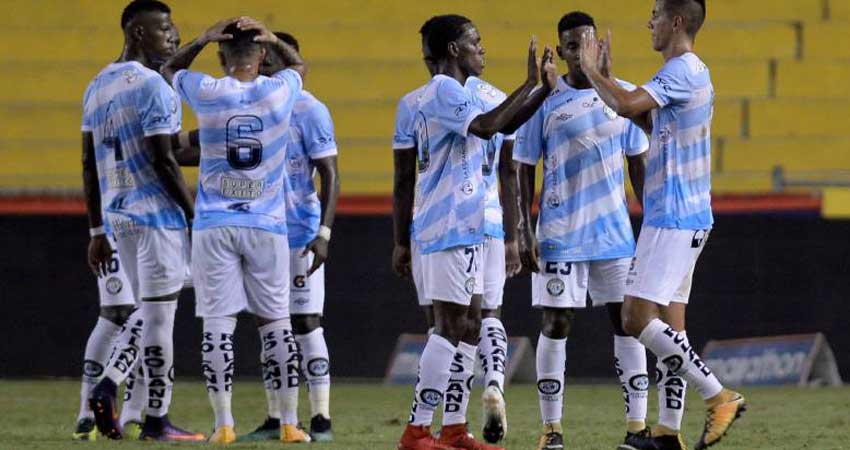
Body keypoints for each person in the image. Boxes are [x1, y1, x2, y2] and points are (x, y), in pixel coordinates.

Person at [577, 1, 746, 449]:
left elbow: (630, 102)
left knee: (635, 317)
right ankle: (669, 433)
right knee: (673, 326)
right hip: (682, 212)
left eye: (655, 14)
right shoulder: (690, 72)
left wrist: (592, 71)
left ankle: (718, 396)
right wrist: (608, 81)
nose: (648, 22)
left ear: (676, 22)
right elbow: (645, 118)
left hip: (672, 216)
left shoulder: (681, 70)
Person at [397, 14, 559, 450]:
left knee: (469, 327)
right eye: (476, 41)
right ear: (453, 50)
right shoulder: (445, 91)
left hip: (464, 226)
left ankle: (452, 429)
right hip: (447, 225)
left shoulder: (457, 93)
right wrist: (529, 84)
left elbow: (500, 125)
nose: (482, 49)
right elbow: (490, 127)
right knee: (449, 327)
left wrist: (540, 89)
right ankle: (416, 429)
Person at [161, 16, 310, 444]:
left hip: (214, 222)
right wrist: (273, 38)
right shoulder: (279, 90)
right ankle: (287, 423)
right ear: (262, 56)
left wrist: (201, 40)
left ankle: (223, 424)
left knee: (217, 323)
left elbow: (169, 69)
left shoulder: (208, 91)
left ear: (222, 56)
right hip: (267, 223)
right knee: (277, 323)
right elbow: (300, 68)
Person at [514, 11, 651, 450]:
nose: (580, 51)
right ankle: (551, 431)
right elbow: (522, 168)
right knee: (555, 325)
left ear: (598, 45)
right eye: (571, 44)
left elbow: (638, 162)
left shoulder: (622, 94)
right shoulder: (545, 99)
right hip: (559, 233)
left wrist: (651, 220)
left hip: (614, 234)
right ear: (561, 49)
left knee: (628, 325)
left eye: (586, 43)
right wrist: (522, 228)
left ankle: (637, 428)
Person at [83, 0, 202, 441]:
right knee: (157, 316)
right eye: (164, 29)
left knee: (149, 313)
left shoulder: (97, 85)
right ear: (137, 33)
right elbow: (164, 159)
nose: (171, 36)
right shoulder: (155, 86)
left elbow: (87, 162)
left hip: (118, 217)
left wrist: (97, 228)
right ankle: (128, 398)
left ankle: (149, 414)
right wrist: (194, 216)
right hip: (156, 216)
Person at [239, 31, 341, 443]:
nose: (260, 68)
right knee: (268, 325)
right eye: (258, 61)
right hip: (260, 232)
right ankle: (275, 416)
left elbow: (331, 173)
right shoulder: (246, 108)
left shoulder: (310, 109)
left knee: (305, 321)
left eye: (268, 60)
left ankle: (320, 419)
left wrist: (324, 232)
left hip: (299, 231)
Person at [72, 244, 135, 440]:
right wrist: (97, 232)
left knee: (155, 310)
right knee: (116, 313)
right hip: (119, 227)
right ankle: (88, 415)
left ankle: (134, 416)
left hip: (161, 227)